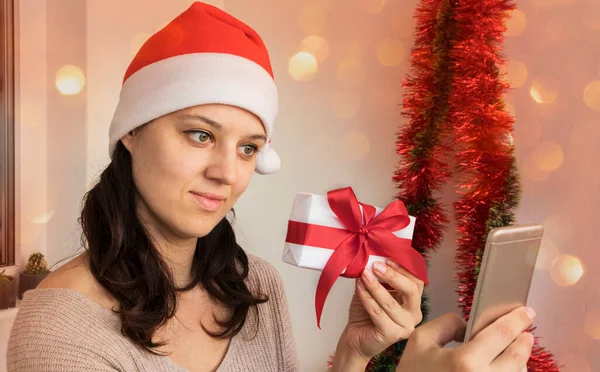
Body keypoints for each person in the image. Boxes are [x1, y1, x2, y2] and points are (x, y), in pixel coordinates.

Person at [6, 2, 534, 372]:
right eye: (199, 134)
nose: (227, 172)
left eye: (248, 148)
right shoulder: (59, 332)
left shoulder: (253, 284)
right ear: (131, 133)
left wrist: (352, 354)